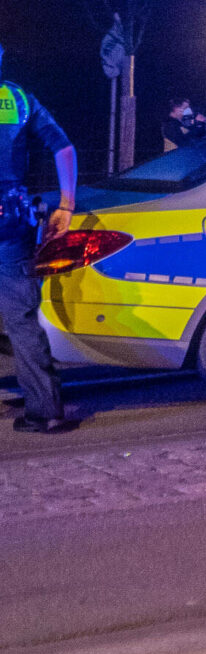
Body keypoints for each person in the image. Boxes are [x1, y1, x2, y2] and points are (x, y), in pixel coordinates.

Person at [0, 44, 83, 434]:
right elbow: (63, 148)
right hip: (9, 219)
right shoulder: (17, 98)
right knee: (21, 319)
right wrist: (66, 205)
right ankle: (46, 410)